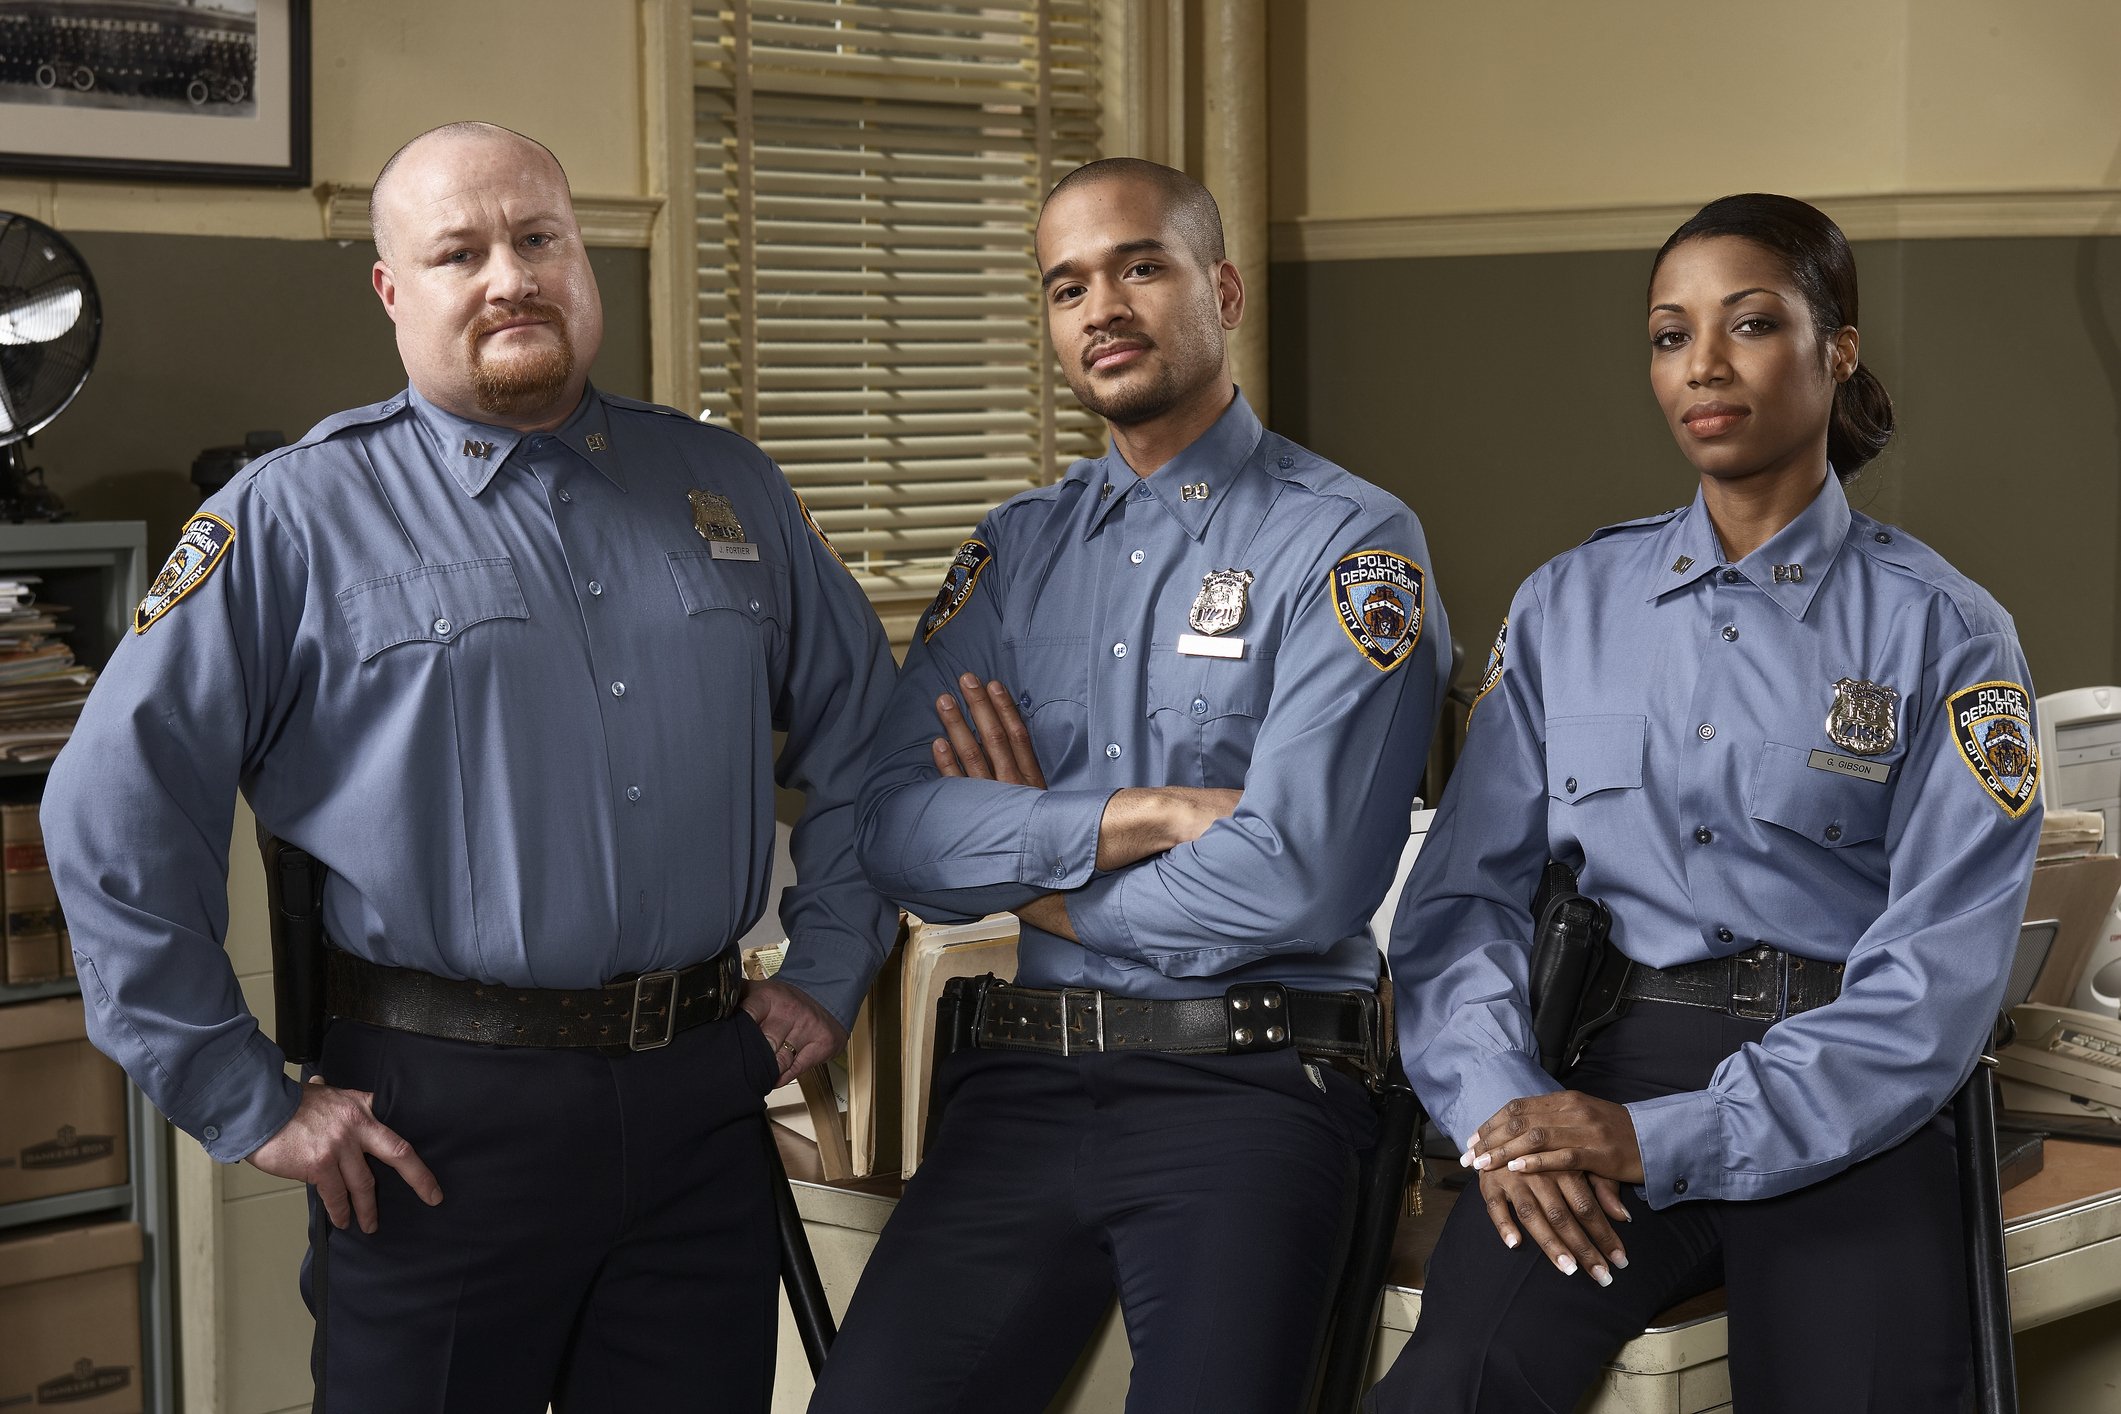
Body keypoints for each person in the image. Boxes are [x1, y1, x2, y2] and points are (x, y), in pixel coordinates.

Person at [41, 122, 897, 1413]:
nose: (510, 276)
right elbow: (113, 809)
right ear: (394, 289)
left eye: (539, 238)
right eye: (460, 251)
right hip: (437, 1121)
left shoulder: (726, 488)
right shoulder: (291, 513)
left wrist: (829, 969)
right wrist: (240, 1091)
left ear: (582, 257)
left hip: (703, 1098)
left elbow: (875, 746)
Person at [1369, 193, 2042, 1413]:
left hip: (1858, 1086)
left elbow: (1939, 980)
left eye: (1750, 324)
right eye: (1670, 335)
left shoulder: (1948, 632)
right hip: (1614, 1059)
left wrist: (1660, 1141)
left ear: (1836, 349)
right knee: (1459, 1384)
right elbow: (1459, 904)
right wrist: (1504, 1110)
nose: (1705, 367)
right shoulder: (1568, 605)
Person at [806, 157, 1451, 1414]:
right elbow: (891, 823)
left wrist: (1034, 882)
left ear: (1222, 288)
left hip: (1252, 1091)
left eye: (1139, 266)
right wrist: (1128, 820)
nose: (1101, 305)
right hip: (1021, 1090)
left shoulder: (1349, 541)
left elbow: (1300, 877)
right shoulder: (1014, 550)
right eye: (1066, 285)